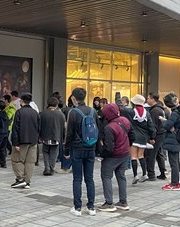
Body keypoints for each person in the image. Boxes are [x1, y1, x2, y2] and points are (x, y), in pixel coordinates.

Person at [65, 87, 98, 216]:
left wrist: (66, 150)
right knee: (89, 178)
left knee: (77, 178)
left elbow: (69, 134)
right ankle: (91, 207)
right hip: (91, 147)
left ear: (74, 98)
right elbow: (97, 130)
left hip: (77, 148)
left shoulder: (73, 112)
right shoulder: (93, 111)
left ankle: (77, 207)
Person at [97, 103, 133, 212]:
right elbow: (132, 136)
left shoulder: (109, 127)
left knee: (106, 176)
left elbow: (109, 148)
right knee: (121, 176)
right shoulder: (125, 121)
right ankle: (123, 202)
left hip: (113, 156)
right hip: (125, 154)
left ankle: (109, 203)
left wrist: (102, 154)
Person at [10, 92, 40, 189]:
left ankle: (20, 179)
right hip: (33, 141)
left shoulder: (19, 112)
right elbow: (39, 127)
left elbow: (15, 128)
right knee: (30, 162)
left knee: (17, 160)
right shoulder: (35, 113)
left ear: (21, 101)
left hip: (21, 141)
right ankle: (27, 181)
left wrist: (15, 143)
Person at [126, 94, 156, 184]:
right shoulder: (147, 113)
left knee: (133, 157)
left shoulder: (131, 112)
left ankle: (135, 175)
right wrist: (152, 137)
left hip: (133, 137)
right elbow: (151, 127)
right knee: (141, 156)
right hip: (143, 137)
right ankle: (144, 174)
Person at [161, 93, 180, 191]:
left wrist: (164, 121)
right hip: (178, 137)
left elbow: (167, 125)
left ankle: (174, 183)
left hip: (173, 139)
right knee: (176, 161)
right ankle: (178, 182)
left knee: (173, 162)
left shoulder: (175, 112)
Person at [144, 92, 169, 180]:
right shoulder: (160, 109)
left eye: (148, 98)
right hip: (161, 134)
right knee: (159, 153)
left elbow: (153, 126)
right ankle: (163, 172)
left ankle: (151, 174)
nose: (147, 100)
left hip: (157, 135)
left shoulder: (154, 111)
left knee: (151, 154)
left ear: (152, 99)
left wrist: (152, 137)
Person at [39, 96, 66, 176]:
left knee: (45, 152)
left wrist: (39, 137)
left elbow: (39, 126)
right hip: (56, 136)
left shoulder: (43, 113)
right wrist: (63, 138)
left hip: (45, 136)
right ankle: (51, 168)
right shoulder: (60, 114)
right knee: (54, 153)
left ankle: (47, 168)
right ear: (57, 104)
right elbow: (64, 127)